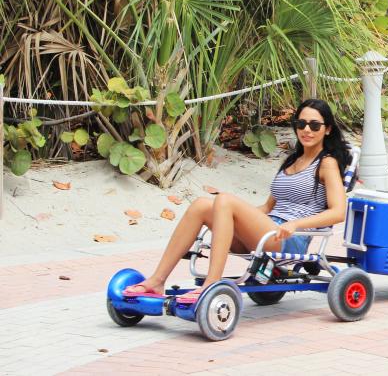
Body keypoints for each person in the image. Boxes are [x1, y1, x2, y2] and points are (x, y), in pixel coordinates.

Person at [122, 99, 350, 303]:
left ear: (327, 129)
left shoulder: (327, 163)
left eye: (314, 125)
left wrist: (294, 225)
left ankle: (212, 283)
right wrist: (233, 214)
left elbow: (338, 212)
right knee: (202, 204)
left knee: (225, 200)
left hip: (289, 239)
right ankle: (157, 280)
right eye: (301, 124)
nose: (306, 130)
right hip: (266, 231)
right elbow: (267, 208)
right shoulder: (292, 161)